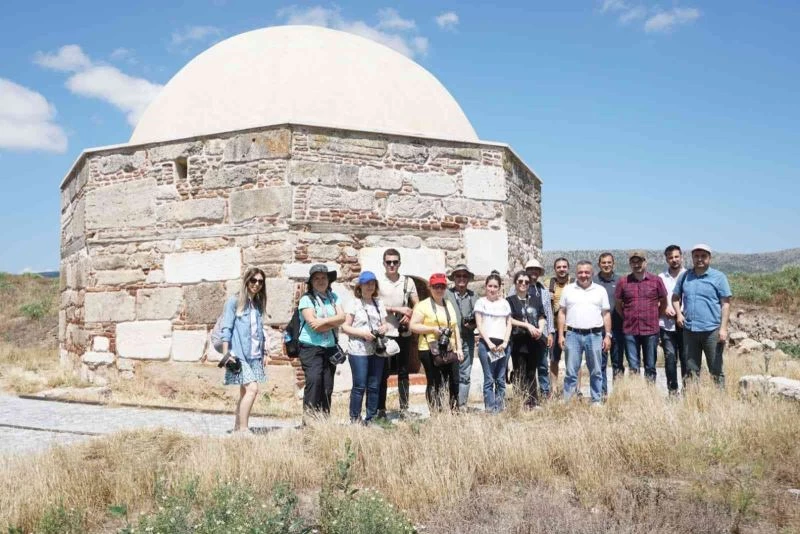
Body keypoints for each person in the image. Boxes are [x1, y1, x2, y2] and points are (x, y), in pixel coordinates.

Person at [672, 244, 732, 387]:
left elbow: (726, 304)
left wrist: (723, 329)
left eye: (703, 256)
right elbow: (675, 297)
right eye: (696, 256)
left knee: (715, 369)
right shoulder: (685, 276)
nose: (699, 259)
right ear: (692, 258)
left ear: (709, 258)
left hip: (711, 331)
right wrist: (679, 315)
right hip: (690, 331)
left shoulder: (719, 277)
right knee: (691, 370)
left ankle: (720, 401)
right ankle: (692, 401)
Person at [220, 267, 268, 433]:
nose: (256, 284)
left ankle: (237, 428)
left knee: (244, 392)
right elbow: (226, 328)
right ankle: (244, 429)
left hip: (254, 356)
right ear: (246, 281)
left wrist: (264, 352)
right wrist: (226, 355)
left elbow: (259, 333)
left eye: (260, 281)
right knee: (252, 389)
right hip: (238, 355)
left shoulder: (257, 304)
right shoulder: (234, 301)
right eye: (253, 280)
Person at [558, 261, 611, 404]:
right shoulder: (568, 289)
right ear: (576, 273)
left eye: (587, 272)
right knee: (570, 372)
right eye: (580, 272)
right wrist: (561, 335)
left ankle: (596, 401)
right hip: (572, 335)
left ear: (592, 273)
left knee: (596, 371)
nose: (583, 275)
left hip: (594, 335)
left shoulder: (600, 290)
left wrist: (607, 335)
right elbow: (562, 313)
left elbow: (606, 314)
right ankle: (568, 401)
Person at [409, 273, 463, 412]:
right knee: (434, 382)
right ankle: (436, 412)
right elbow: (413, 326)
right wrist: (432, 329)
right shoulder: (422, 306)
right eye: (436, 286)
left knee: (454, 381)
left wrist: (459, 348)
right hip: (429, 348)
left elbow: (455, 326)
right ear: (430, 287)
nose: (439, 290)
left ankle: (454, 410)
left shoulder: (448, 304)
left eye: (442, 286)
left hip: (449, 348)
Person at [341, 271, 389, 424]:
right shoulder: (353, 303)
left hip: (376, 348)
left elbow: (385, 324)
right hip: (358, 349)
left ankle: (371, 417)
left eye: (372, 283)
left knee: (374, 385)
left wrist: (383, 328)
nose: (370, 286)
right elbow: (345, 327)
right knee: (360, 385)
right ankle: (355, 418)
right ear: (360, 286)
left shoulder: (378, 303)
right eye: (366, 283)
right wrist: (363, 333)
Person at [298, 264, 345, 416]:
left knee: (327, 386)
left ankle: (324, 421)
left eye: (323, 277)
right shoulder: (306, 299)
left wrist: (322, 322)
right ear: (311, 282)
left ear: (328, 280)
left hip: (330, 347)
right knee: (314, 382)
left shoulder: (333, 297)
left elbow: (343, 318)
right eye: (316, 278)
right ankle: (310, 422)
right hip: (311, 348)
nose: (320, 281)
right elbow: (314, 326)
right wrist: (334, 321)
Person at [377, 248, 419, 417]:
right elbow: (374, 304)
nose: (392, 265)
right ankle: (381, 409)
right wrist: (396, 308)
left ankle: (404, 408)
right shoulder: (378, 282)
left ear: (399, 263)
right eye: (389, 262)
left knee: (403, 371)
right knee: (383, 373)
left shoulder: (408, 282)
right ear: (384, 263)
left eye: (395, 262)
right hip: (385, 331)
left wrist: (410, 316)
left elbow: (417, 304)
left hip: (403, 332)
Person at [614, 251, 667, 383]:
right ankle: (637, 395)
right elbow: (618, 305)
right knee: (633, 366)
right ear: (630, 264)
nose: (636, 264)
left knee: (650, 366)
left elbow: (664, 302)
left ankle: (649, 395)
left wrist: (655, 317)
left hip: (650, 330)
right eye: (633, 262)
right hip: (630, 330)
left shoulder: (656, 280)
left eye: (639, 261)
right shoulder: (623, 281)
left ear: (645, 262)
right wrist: (626, 317)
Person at [506, 270, 547, 407]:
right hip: (518, 341)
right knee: (519, 371)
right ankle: (521, 401)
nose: (523, 284)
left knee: (531, 371)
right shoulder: (510, 301)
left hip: (534, 341)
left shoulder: (535, 299)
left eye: (526, 282)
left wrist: (540, 329)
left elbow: (541, 316)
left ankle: (533, 401)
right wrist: (527, 325)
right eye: (520, 281)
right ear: (515, 283)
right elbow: (509, 319)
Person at [474, 271, 513, 413]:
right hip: (487, 345)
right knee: (489, 379)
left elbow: (509, 323)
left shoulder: (505, 303)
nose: (492, 289)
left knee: (501, 378)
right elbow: (479, 324)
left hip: (503, 345)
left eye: (495, 286)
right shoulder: (481, 303)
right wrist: (490, 344)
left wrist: (505, 343)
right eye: (490, 286)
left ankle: (500, 408)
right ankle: (490, 409)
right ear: (485, 287)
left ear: (499, 288)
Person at [593, 253, 626, 395]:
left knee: (618, 363)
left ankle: (618, 394)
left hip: (618, 328)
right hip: (598, 329)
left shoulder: (621, 281)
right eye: (603, 263)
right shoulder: (593, 281)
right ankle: (602, 394)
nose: (606, 265)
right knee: (600, 364)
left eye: (609, 262)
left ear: (614, 263)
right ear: (599, 264)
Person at [445, 264, 478, 408]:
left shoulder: (474, 296)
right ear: (454, 278)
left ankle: (462, 405)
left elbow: (479, 317)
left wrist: (474, 324)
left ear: (468, 279)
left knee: (465, 372)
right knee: (449, 373)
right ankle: (450, 404)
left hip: (467, 338)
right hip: (450, 340)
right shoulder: (446, 294)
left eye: (465, 276)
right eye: (458, 276)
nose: (461, 279)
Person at [659, 245, 688, 394]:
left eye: (676, 257)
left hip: (686, 324)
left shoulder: (689, 275)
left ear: (681, 257)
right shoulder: (661, 277)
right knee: (670, 358)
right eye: (670, 257)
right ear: (666, 259)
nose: (674, 260)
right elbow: (657, 298)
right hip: (666, 324)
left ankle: (687, 390)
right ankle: (672, 390)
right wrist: (664, 308)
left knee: (686, 358)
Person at [548, 258, 572, 387]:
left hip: (572, 328)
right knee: (554, 360)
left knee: (574, 361)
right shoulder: (550, 284)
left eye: (564, 267)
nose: (562, 269)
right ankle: (554, 389)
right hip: (555, 328)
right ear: (555, 269)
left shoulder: (574, 283)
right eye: (559, 267)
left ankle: (576, 390)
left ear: (568, 268)